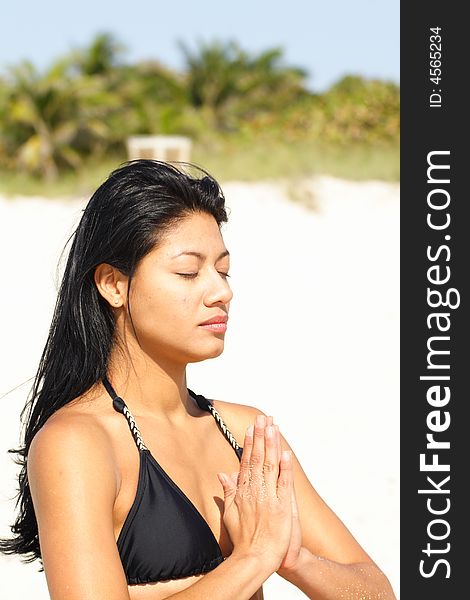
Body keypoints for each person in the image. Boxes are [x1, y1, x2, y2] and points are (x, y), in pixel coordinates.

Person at [0, 160, 396, 599]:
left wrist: (293, 558)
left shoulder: (247, 433)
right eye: (189, 272)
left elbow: (376, 591)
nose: (221, 291)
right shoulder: (79, 442)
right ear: (113, 284)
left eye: (223, 271)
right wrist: (253, 558)